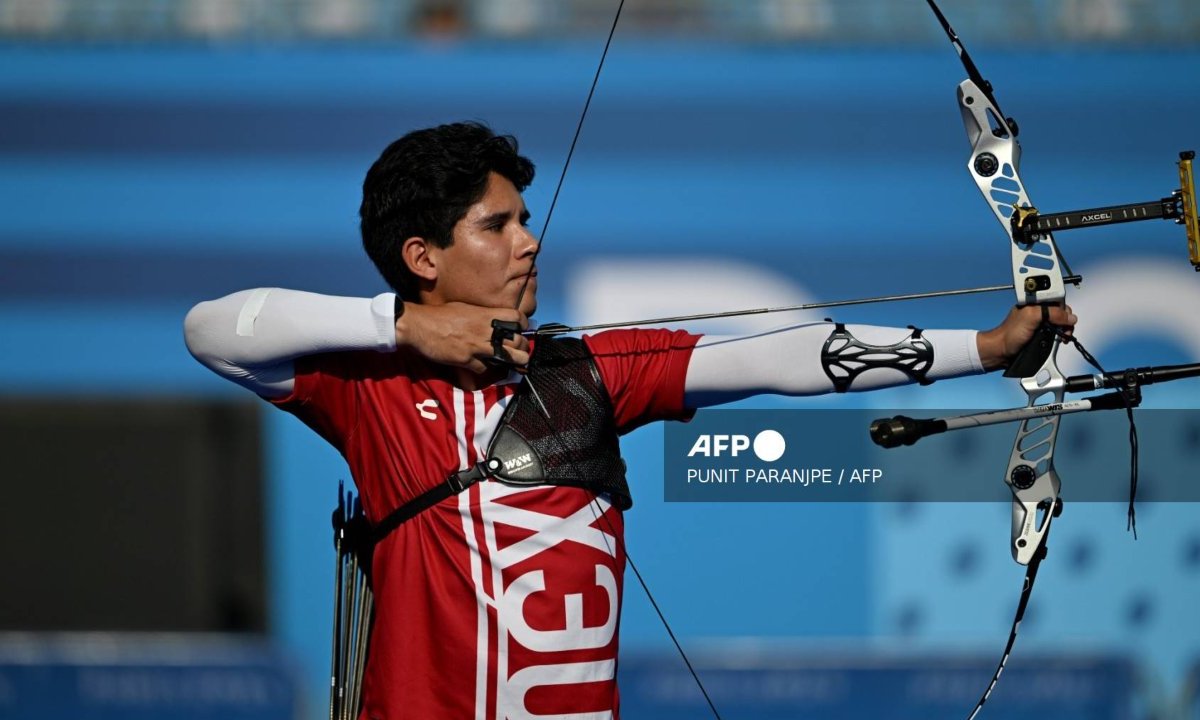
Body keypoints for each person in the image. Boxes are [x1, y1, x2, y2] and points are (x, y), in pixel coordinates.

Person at [184, 121, 1075, 719]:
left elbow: (774, 354)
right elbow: (213, 331)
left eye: (526, 220)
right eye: (497, 226)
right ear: (422, 258)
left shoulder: (585, 371)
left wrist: (989, 348)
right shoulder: (367, 386)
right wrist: (405, 325)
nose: (530, 240)